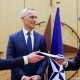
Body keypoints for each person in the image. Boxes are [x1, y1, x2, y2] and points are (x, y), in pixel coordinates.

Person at [6, 8, 48, 80]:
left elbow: (45, 58)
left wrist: (38, 75)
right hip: (18, 78)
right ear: (22, 19)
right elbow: (10, 60)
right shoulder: (13, 38)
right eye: (31, 17)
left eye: (36, 17)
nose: (34, 20)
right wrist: (23, 77)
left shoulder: (41, 38)